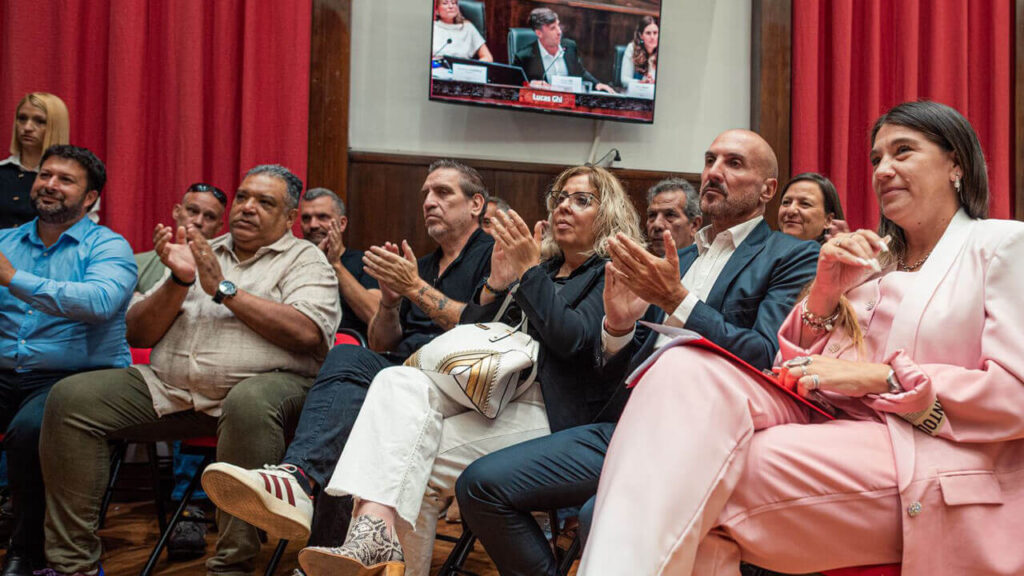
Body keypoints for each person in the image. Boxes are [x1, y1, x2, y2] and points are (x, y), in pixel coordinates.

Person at [579, 100, 1024, 575]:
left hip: (927, 450)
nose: (883, 170)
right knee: (681, 364)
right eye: (876, 159)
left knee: (692, 481)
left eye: (903, 152)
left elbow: (1014, 393)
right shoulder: (873, 258)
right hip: (826, 421)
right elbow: (790, 365)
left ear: (956, 162)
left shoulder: (1000, 245)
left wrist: (877, 377)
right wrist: (825, 294)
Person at [455, 130, 819, 576]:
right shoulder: (679, 257)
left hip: (697, 435)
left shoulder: (792, 256)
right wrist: (618, 328)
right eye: (710, 160)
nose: (714, 173)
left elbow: (765, 354)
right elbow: (612, 367)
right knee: (479, 485)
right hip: (624, 424)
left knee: (598, 517)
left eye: (734, 163)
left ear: (767, 190)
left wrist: (678, 301)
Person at [296, 164, 642, 576]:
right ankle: (373, 532)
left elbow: (571, 343)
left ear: (610, 214)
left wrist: (528, 271)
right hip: (489, 390)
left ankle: (375, 541)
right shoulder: (546, 268)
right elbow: (476, 333)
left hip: (551, 412)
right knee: (395, 379)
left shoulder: (613, 271)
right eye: (560, 198)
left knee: (410, 467)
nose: (564, 207)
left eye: (582, 200)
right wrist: (497, 283)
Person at [39, 164, 340, 576]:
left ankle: (232, 565)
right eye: (243, 197)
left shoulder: (307, 261)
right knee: (71, 399)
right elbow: (139, 334)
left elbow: (308, 334)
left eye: (265, 202)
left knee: (248, 402)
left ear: (289, 218)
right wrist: (179, 280)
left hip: (268, 389)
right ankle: (73, 565)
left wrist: (224, 289)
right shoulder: (199, 249)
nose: (248, 208)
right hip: (171, 388)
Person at [200, 159, 493, 548]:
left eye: (442, 192)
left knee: (347, 360)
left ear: (475, 204)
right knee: (350, 390)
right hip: (402, 372)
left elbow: (479, 335)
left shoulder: (493, 256)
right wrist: (389, 303)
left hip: (455, 382)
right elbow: (381, 343)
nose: (429, 201)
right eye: (425, 193)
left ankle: (298, 483)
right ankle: (322, 545)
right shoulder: (422, 264)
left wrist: (412, 288)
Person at [0, 145, 135, 576]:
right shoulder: (6, 242)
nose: (50, 185)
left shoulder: (109, 247)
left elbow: (98, 302)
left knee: (30, 431)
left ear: (90, 197)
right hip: (6, 371)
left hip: (72, 378)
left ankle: (27, 549)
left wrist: (13, 279)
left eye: (65, 179)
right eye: (45, 175)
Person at [300, 187, 381, 340]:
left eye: (322, 217)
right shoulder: (294, 262)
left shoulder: (366, 262)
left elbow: (374, 313)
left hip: (348, 349)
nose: (313, 225)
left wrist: (335, 264)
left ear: (342, 223)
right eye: (306, 218)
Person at [135, 182, 227, 293]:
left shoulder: (226, 269)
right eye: (193, 211)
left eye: (209, 217)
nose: (198, 221)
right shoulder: (137, 264)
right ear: (176, 212)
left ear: (219, 227)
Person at [1, 93, 70, 229]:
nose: (27, 127)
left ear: (55, 126)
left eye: (40, 121)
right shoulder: (3, 171)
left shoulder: (73, 180)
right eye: (22, 119)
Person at [513, 8, 615, 94]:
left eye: (558, 25)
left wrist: (597, 84)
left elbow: (580, 72)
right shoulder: (524, 57)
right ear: (539, 33)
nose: (559, 32)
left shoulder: (569, 47)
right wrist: (530, 85)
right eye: (553, 28)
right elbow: (514, 88)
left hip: (570, 104)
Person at [777, 172, 847, 243]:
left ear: (828, 220)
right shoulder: (767, 249)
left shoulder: (838, 253)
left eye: (805, 204)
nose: (790, 210)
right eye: (786, 202)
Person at [645, 177, 702, 256]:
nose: (656, 224)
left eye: (670, 215)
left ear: (694, 225)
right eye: (652, 215)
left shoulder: (705, 266)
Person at [620, 16, 658, 86]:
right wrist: (641, 82)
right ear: (641, 35)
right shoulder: (632, 48)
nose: (652, 37)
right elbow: (624, 80)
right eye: (648, 33)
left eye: (655, 33)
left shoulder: (663, 50)